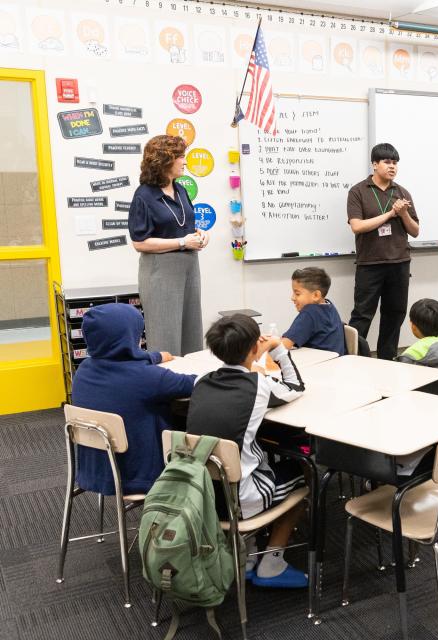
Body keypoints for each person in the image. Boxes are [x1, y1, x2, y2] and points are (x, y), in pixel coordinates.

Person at [186, 315, 308, 588]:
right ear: (255, 348)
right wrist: (276, 348)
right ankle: (272, 563)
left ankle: (246, 554)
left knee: (245, 459)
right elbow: (296, 386)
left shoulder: (201, 382)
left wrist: (253, 356)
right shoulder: (259, 386)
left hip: (199, 493)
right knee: (304, 476)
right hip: (239, 500)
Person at [72, 303, 196, 496]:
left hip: (96, 471)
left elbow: (124, 360)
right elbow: (195, 384)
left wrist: (154, 357)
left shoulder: (84, 370)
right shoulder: (147, 378)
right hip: (140, 475)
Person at [128, 134, 209, 356]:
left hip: (189, 267)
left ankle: (190, 385)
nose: (185, 161)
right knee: (165, 337)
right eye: (181, 157)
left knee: (192, 332)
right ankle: (167, 386)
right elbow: (140, 242)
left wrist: (199, 234)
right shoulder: (144, 195)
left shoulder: (181, 190)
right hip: (160, 271)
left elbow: (182, 225)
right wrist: (183, 242)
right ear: (164, 160)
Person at [346, 143, 420, 361]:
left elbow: (415, 231)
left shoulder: (402, 192)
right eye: (387, 162)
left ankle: (387, 362)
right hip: (370, 264)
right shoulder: (358, 191)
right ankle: (353, 360)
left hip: (399, 263)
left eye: (395, 163)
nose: (392, 167)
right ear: (374, 164)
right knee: (362, 316)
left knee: (394, 315)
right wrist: (390, 214)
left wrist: (403, 213)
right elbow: (357, 226)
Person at [281, 267, 346, 356]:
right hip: (336, 362)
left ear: (316, 295)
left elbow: (283, 346)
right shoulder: (329, 306)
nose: (292, 298)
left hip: (319, 365)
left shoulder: (310, 313)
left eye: (297, 294)